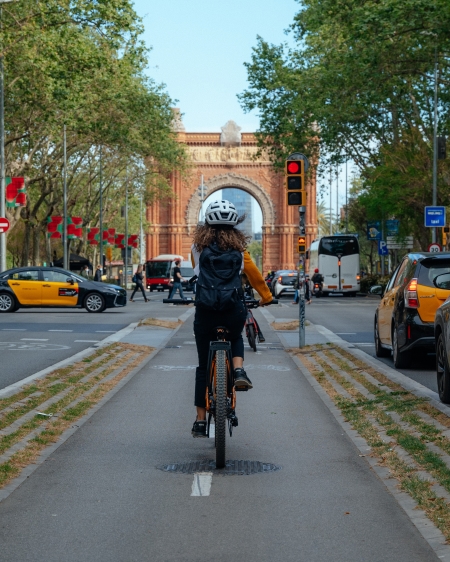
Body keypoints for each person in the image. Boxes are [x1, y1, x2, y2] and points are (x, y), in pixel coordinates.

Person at [190, 199, 273, 438]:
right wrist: (266, 297)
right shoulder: (239, 251)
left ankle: (200, 420)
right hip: (232, 308)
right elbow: (255, 276)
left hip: (206, 310)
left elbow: (197, 273)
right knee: (235, 335)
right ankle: (238, 371)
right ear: (235, 226)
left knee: (202, 367)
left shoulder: (198, 248)